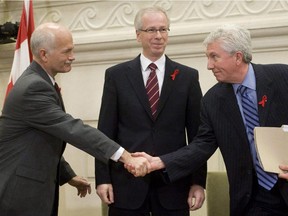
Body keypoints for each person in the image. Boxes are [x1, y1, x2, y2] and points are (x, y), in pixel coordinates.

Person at [131, 24, 288, 216]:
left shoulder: (282, 77)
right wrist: (159, 162)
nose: (209, 65)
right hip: (255, 199)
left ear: (237, 57)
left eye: (214, 57)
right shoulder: (213, 101)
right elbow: (202, 145)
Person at [0, 22, 149, 216]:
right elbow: (73, 129)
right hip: (19, 196)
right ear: (44, 54)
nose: (72, 57)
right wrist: (126, 156)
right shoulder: (33, 87)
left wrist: (68, 175)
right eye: (66, 51)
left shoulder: (40, 81)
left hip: (30, 193)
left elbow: (39, 140)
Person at [95, 6, 207, 216]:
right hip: (126, 185)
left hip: (173, 185)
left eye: (163, 30)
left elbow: (198, 138)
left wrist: (198, 182)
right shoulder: (116, 76)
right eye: (151, 30)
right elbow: (105, 133)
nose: (158, 36)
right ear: (138, 35)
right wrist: (103, 179)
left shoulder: (187, 77)